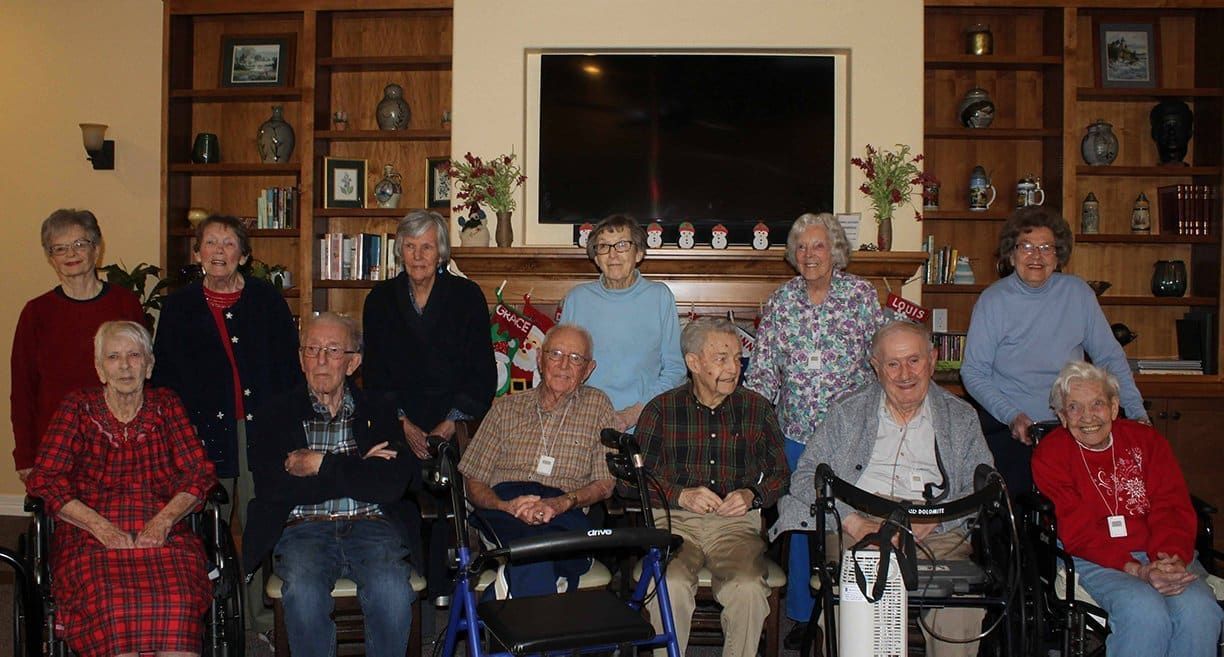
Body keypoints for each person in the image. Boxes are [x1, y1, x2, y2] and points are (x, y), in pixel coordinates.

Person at [771, 320, 994, 657]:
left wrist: (935, 520)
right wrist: (852, 521)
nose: (905, 373)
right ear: (876, 367)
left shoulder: (960, 417)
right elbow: (806, 476)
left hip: (935, 524)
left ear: (932, 359)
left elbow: (984, 485)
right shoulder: (848, 413)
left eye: (914, 360)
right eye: (892, 363)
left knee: (959, 605)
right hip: (860, 521)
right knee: (858, 594)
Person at [26, 320, 218, 657]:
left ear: (149, 366)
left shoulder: (167, 406)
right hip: (89, 534)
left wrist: (162, 522)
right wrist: (100, 527)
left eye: (134, 355)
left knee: (179, 598)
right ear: (100, 369)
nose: (125, 365)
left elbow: (198, 472)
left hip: (163, 530)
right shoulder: (78, 408)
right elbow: (45, 478)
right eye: (114, 357)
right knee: (111, 603)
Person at [151, 214, 302, 631]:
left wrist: (288, 429)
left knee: (260, 522)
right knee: (204, 526)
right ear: (197, 253)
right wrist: (178, 435)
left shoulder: (266, 300)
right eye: (211, 243)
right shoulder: (179, 307)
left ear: (245, 255)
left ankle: (259, 617)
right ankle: (211, 614)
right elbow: (164, 378)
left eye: (229, 244)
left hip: (259, 432)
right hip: (201, 434)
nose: (219, 251)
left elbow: (291, 371)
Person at [743, 212, 886, 639]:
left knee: (850, 517)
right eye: (801, 247)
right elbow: (765, 369)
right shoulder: (780, 302)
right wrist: (753, 418)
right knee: (801, 519)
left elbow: (878, 360)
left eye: (818, 246)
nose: (809, 255)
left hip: (851, 435)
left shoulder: (861, 296)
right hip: (796, 433)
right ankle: (804, 617)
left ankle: (849, 607)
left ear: (835, 250)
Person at [244, 313, 421, 657]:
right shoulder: (275, 413)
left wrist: (319, 464)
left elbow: (391, 486)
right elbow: (273, 488)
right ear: (300, 358)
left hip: (373, 527)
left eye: (333, 350)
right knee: (304, 594)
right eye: (312, 349)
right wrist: (359, 472)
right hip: (303, 530)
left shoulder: (380, 408)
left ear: (353, 362)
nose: (321, 360)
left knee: (391, 591)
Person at [1032, 361, 1222, 657]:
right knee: (1144, 613)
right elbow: (1078, 529)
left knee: (1200, 612)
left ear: (1114, 406)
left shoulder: (1147, 442)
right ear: (1062, 417)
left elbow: (1171, 506)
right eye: (1074, 408)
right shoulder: (1052, 454)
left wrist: (1168, 560)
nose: (1087, 417)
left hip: (1161, 552)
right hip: (1095, 557)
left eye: (1097, 404)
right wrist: (1137, 570)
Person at [962, 206, 1147, 495]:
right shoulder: (993, 300)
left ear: (1058, 255)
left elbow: (1109, 357)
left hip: (1074, 424)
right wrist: (1012, 415)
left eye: (1046, 247)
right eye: (1026, 247)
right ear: (1011, 254)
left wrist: (1137, 413)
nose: (1036, 256)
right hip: (1011, 426)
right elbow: (973, 372)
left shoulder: (1078, 294)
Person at [362, 209, 496, 603]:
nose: (418, 256)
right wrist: (403, 423)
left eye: (426, 247)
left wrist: (448, 424)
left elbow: (481, 374)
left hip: (454, 422)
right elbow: (375, 375)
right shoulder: (380, 299)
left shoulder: (466, 296)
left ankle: (446, 587)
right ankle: (408, 579)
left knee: (454, 485)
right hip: (398, 420)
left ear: (441, 252)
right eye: (409, 246)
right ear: (399, 251)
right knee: (392, 483)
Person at [638, 317, 790, 657]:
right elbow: (633, 480)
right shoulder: (662, 410)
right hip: (675, 523)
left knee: (748, 588)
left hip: (736, 526)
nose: (734, 368)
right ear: (693, 363)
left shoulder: (756, 408)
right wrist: (679, 494)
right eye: (721, 358)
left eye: (737, 358)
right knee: (670, 584)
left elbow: (780, 473)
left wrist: (752, 495)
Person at [458, 324, 617, 598]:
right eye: (555, 354)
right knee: (538, 552)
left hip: (566, 509)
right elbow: (473, 480)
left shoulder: (598, 406)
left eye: (576, 358)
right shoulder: (506, 408)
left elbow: (605, 483)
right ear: (540, 360)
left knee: (534, 553)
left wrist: (561, 502)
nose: (564, 364)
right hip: (506, 509)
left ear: (588, 369)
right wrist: (505, 506)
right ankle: (548, 605)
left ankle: (505, 599)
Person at [11, 209, 144, 481]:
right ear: (51, 258)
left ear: (97, 249)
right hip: (57, 443)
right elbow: (23, 389)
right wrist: (25, 456)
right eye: (59, 248)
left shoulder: (125, 304)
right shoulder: (36, 313)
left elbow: (144, 376)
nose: (71, 254)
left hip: (120, 442)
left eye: (79, 244)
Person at [559, 214, 686, 431]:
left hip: (645, 420)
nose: (612, 254)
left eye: (622, 245)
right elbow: (561, 366)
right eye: (604, 247)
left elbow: (675, 370)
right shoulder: (577, 299)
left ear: (639, 253)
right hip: (584, 422)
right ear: (596, 257)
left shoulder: (660, 297)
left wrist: (634, 414)